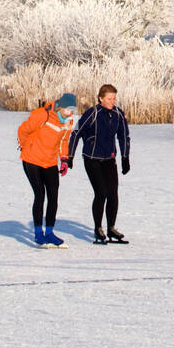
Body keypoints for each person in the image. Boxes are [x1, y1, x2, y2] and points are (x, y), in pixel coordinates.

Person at [68, 84, 130, 244]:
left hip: (109, 159)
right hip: (92, 158)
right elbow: (76, 133)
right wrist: (70, 155)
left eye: (114, 98)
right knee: (101, 192)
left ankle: (111, 228)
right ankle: (98, 229)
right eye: (109, 98)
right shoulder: (92, 113)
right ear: (100, 98)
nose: (112, 101)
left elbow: (124, 136)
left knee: (113, 194)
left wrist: (125, 157)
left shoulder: (118, 114)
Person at [17, 92, 77, 247]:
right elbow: (23, 130)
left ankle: (49, 232)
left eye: (72, 110)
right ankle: (38, 233)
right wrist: (26, 147)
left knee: (53, 196)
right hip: (32, 159)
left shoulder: (69, 121)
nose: (69, 113)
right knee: (40, 194)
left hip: (50, 161)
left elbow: (64, 141)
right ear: (60, 106)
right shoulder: (42, 115)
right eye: (67, 110)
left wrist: (64, 159)